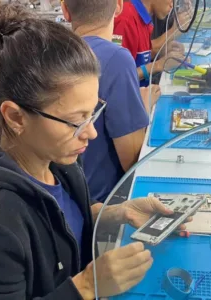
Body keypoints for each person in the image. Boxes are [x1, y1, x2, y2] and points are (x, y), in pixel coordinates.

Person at [0, 4, 192, 300]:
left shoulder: (56, 158)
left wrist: (116, 213)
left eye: (92, 114)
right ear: (16, 118)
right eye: (76, 121)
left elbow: (61, 214)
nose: (91, 132)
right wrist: (85, 287)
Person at [61, 0, 161, 202]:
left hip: (68, 199)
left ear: (65, 11)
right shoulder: (116, 59)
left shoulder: (55, 53)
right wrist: (144, 105)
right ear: (119, 6)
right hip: (103, 204)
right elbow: (134, 161)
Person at [113, 0, 192, 86]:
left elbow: (136, 58)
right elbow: (117, 78)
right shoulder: (125, 20)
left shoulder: (143, 18)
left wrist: (162, 51)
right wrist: (158, 65)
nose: (172, 5)